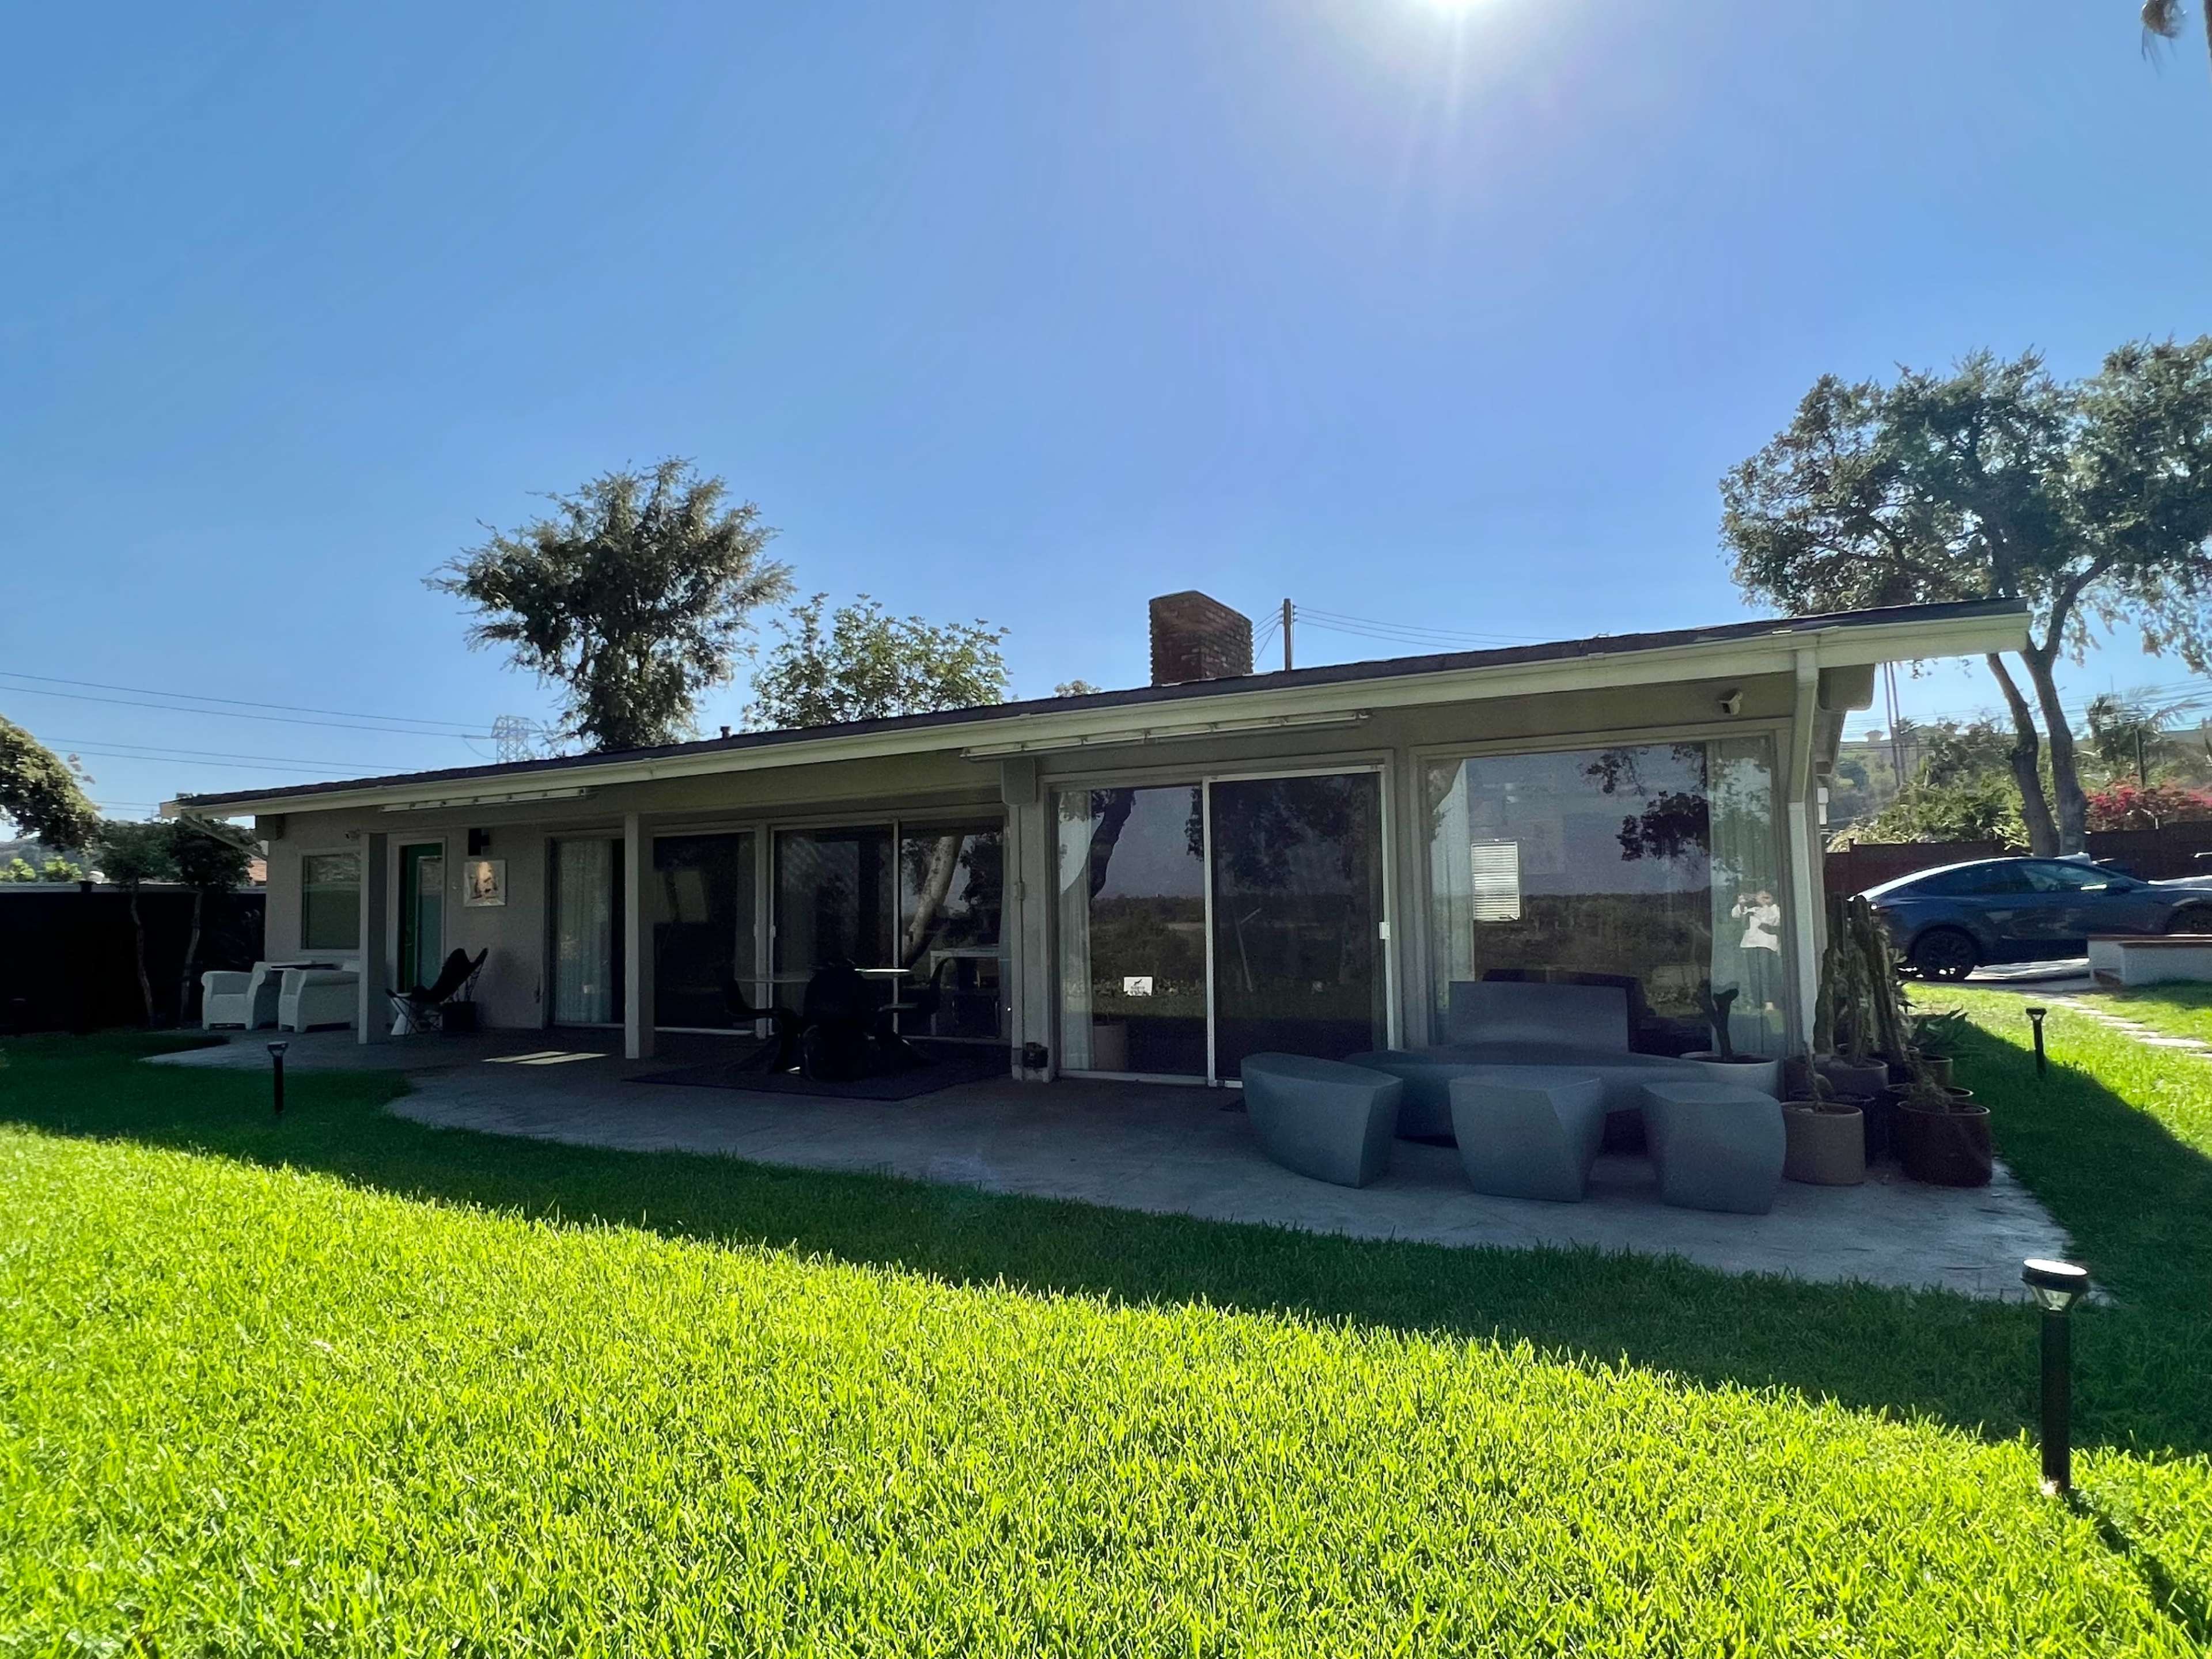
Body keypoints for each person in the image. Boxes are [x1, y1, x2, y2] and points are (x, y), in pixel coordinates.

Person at [1732, 888, 1782, 1013]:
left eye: (1766, 897)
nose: (1763, 898)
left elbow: (1774, 921)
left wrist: (1765, 906)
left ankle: (1768, 1001)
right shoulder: (1751, 909)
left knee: (1766, 973)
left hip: (1767, 945)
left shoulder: (1774, 909)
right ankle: (1756, 1002)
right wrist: (1742, 904)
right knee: (1753, 974)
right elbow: (1735, 914)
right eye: (1760, 896)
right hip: (1750, 944)